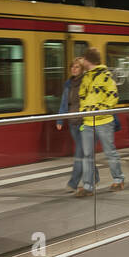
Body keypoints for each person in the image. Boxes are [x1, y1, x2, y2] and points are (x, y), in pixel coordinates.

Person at [76, 47, 124, 196]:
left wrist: (99, 110)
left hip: (104, 120)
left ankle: (118, 179)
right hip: (88, 122)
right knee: (87, 155)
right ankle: (88, 186)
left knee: (109, 152)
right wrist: (85, 111)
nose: (81, 61)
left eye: (83, 58)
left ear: (88, 60)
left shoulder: (106, 76)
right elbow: (82, 96)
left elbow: (113, 96)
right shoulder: (86, 77)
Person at [55, 58, 85, 192]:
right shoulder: (68, 84)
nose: (74, 69)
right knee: (85, 153)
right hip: (73, 122)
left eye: (77, 67)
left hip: (85, 122)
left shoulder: (86, 82)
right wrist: (60, 120)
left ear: (82, 69)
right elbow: (64, 102)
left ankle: (73, 183)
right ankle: (94, 177)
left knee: (80, 153)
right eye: (72, 67)